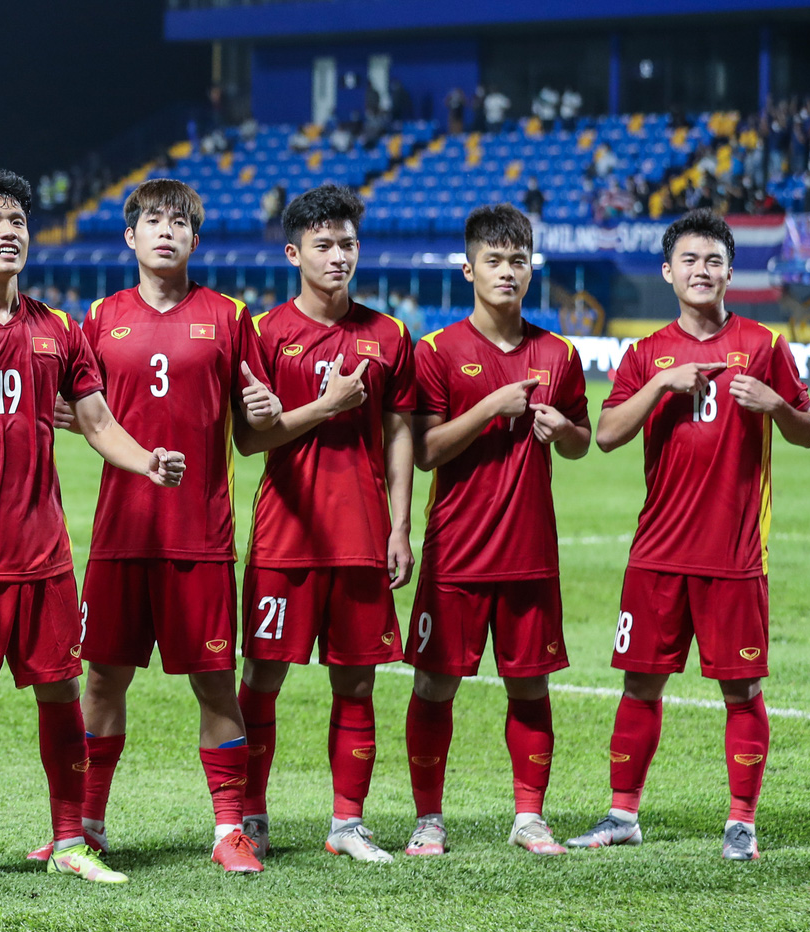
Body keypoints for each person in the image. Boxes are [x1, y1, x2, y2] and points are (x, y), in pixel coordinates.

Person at [0, 168, 182, 891]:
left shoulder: (60, 330)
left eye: (17, 219)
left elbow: (99, 422)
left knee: (59, 691)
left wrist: (146, 462)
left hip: (43, 554)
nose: (9, 230)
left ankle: (70, 839)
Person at [568, 210, 810, 860]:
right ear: (668, 271)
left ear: (730, 271)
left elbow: (807, 430)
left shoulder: (764, 344)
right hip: (657, 551)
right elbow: (607, 434)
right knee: (640, 682)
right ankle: (622, 813)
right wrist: (659, 384)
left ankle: (741, 821)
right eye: (690, 260)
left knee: (742, 687)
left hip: (734, 552)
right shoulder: (647, 352)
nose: (701, 270)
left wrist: (777, 406)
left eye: (713, 260)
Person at [59, 178, 282, 874]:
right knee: (101, 682)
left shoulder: (228, 316)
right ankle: (88, 825)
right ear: (129, 237)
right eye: (152, 220)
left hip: (200, 535)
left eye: (180, 222)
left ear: (195, 237)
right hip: (121, 535)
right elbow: (80, 411)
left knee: (215, 681)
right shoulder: (98, 317)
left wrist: (269, 411)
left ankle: (228, 831)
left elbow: (253, 433)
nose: (166, 230)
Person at [403, 204, 592, 857]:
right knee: (434, 684)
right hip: (455, 551)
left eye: (517, 260)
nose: (507, 271)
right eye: (494, 260)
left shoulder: (558, 353)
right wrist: (490, 406)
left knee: (531, 684)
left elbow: (580, 444)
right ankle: (429, 819)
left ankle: (529, 817)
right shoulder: (437, 351)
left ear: (531, 268)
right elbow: (425, 449)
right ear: (469, 269)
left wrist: (562, 431)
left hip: (529, 552)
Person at [238, 183, 417, 865]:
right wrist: (326, 404)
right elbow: (250, 441)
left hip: (364, 535)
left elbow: (400, 436)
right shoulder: (264, 334)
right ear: (294, 252)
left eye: (347, 243)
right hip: (287, 534)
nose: (338, 255)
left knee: (358, 680)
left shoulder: (389, 335)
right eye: (324, 244)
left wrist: (401, 526)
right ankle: (251, 816)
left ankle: (347, 821)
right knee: (263, 677)